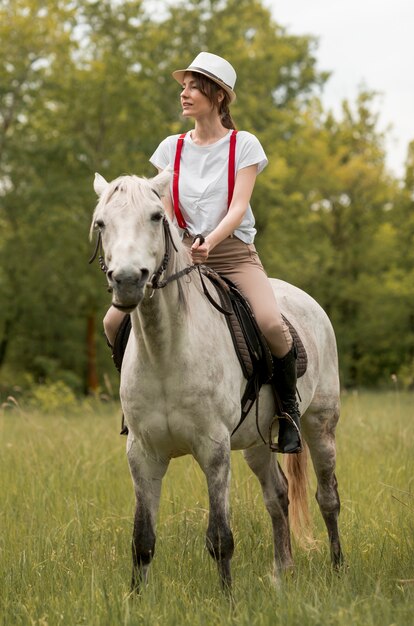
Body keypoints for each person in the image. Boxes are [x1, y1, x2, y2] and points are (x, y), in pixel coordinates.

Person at [104, 52, 302, 454]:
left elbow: (238, 206)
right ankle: (135, 408)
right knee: (112, 322)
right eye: (184, 86)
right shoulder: (169, 149)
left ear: (218, 97)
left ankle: (287, 412)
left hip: (232, 254)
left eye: (194, 86)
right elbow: (162, 209)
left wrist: (210, 241)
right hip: (180, 260)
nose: (184, 93)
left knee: (270, 324)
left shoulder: (243, 145)